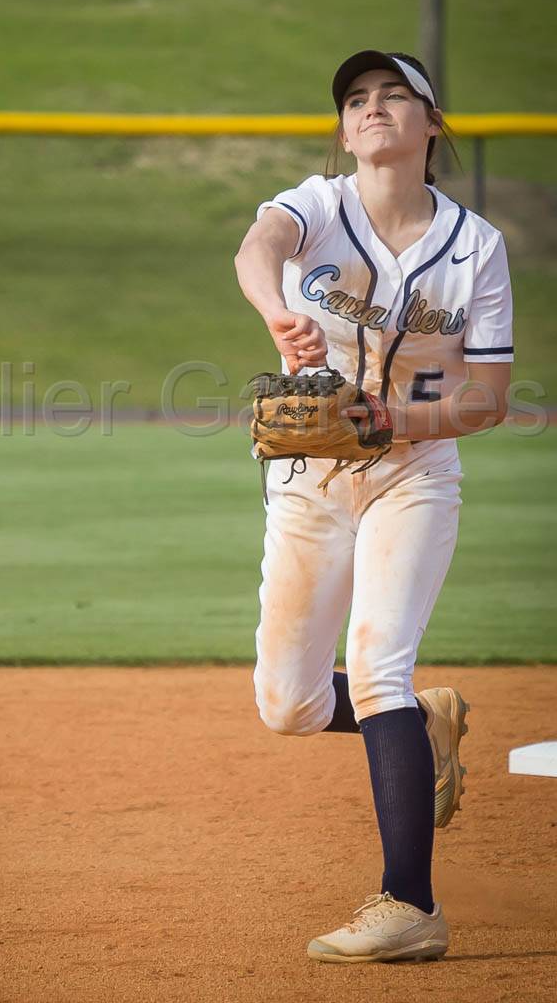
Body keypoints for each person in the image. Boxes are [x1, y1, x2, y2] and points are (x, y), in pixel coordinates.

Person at [233, 50, 514, 964]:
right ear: (343, 128)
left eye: (394, 95)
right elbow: (258, 246)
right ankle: (424, 723)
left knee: (377, 661)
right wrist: (278, 309)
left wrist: (392, 419)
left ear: (432, 125)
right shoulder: (317, 204)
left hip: (414, 473)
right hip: (308, 478)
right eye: (356, 99)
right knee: (287, 704)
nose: (372, 108)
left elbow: (486, 398)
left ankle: (409, 905)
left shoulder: (473, 247)